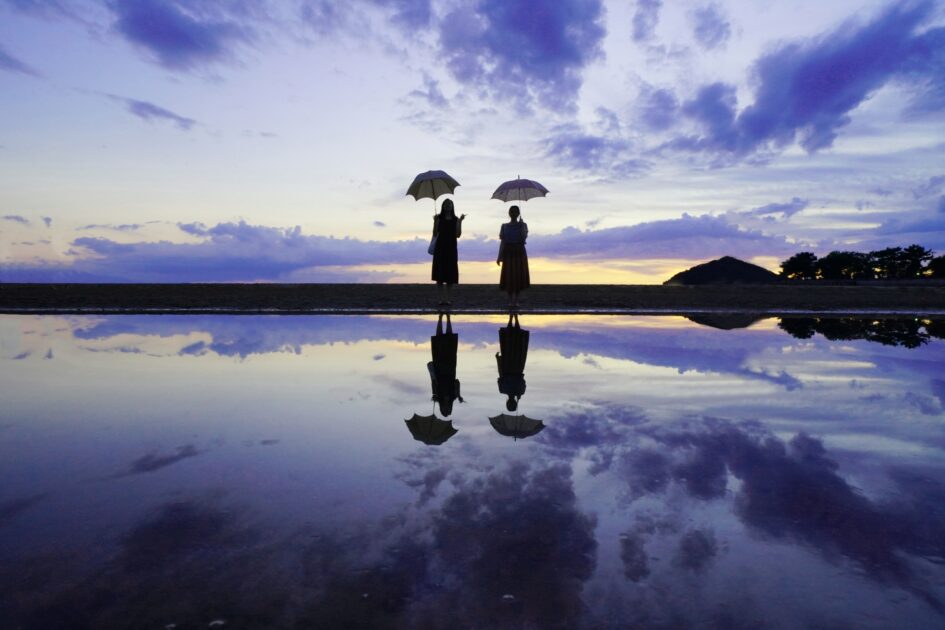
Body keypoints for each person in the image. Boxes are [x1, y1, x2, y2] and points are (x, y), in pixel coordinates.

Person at [428, 311, 464, 417]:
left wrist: (434, 395)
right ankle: (448, 317)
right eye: (448, 410)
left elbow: (434, 382)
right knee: (450, 339)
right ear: (451, 408)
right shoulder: (454, 396)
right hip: (450, 367)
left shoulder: (437, 396)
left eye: (444, 410)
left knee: (438, 339)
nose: (446, 408)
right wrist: (458, 394)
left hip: (439, 367)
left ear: (441, 408)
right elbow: (457, 381)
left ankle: (440, 318)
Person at [431, 199, 465, 307]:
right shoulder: (439, 218)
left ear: (452, 206)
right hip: (440, 248)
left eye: (449, 204)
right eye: (446, 204)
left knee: (450, 276)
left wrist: (460, 221)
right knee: (440, 276)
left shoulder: (456, 219)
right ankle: (440, 299)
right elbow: (435, 233)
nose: (448, 206)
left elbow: (458, 234)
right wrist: (435, 221)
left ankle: (448, 299)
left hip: (451, 248)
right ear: (443, 206)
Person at [496, 205, 530, 309]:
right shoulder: (504, 226)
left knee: (518, 275)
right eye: (512, 211)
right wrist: (499, 256)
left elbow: (524, 238)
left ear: (518, 213)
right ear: (509, 213)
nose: (513, 213)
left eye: (516, 211)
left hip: (519, 251)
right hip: (508, 252)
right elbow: (503, 242)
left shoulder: (523, 225)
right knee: (509, 276)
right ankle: (510, 300)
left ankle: (516, 300)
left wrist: (522, 227)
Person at [496, 311, 529, 412]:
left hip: (518, 365)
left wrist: (519, 394)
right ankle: (511, 318)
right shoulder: (502, 390)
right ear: (507, 403)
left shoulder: (521, 392)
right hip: (506, 364)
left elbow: (523, 381)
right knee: (508, 341)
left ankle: (515, 318)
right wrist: (498, 359)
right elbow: (500, 375)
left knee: (518, 341)